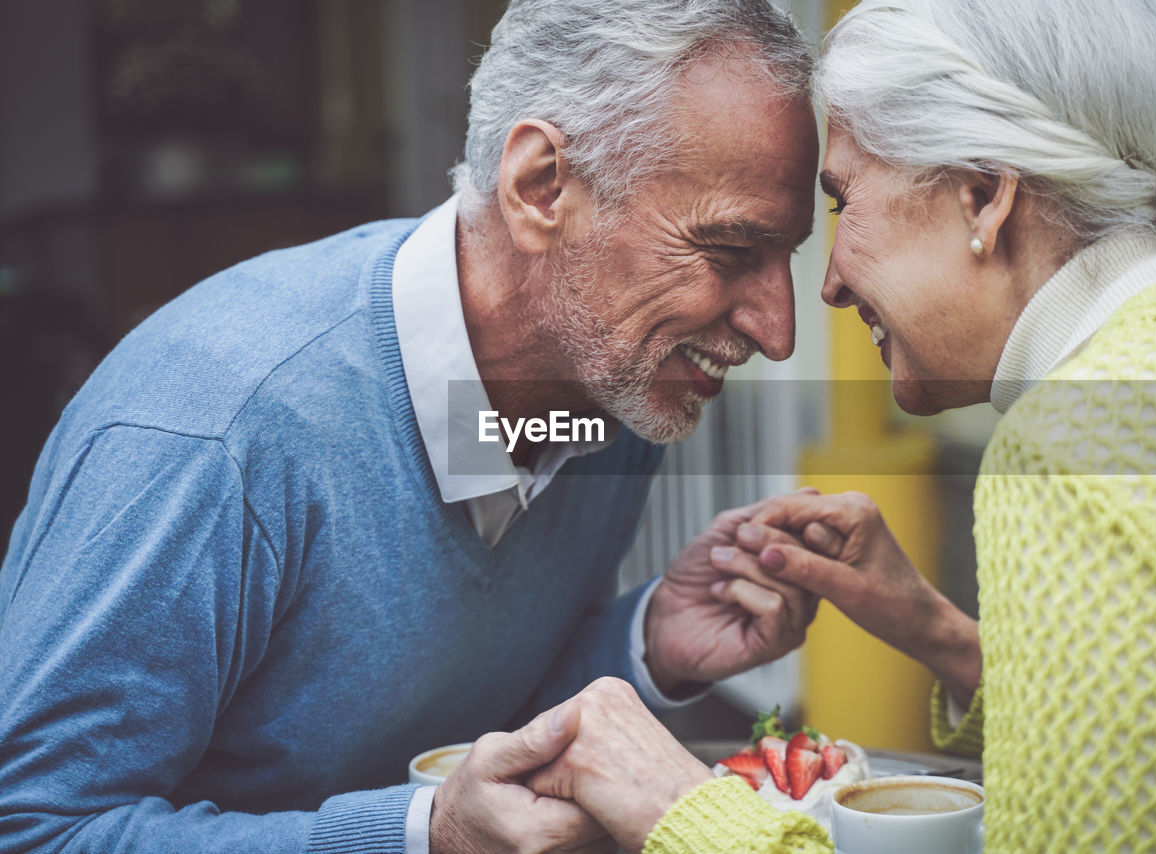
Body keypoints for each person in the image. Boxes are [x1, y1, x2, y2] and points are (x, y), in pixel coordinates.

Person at [0, 1, 823, 852]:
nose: (778, 329)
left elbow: (471, 726)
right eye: (730, 252)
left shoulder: (609, 382)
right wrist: (417, 837)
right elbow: (33, 829)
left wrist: (647, 645)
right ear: (543, 187)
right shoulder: (216, 432)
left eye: (787, 257)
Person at [510, 0, 1156, 851]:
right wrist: (938, 634)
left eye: (841, 204)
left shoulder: (1074, 447)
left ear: (984, 198)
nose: (825, 289)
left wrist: (684, 816)